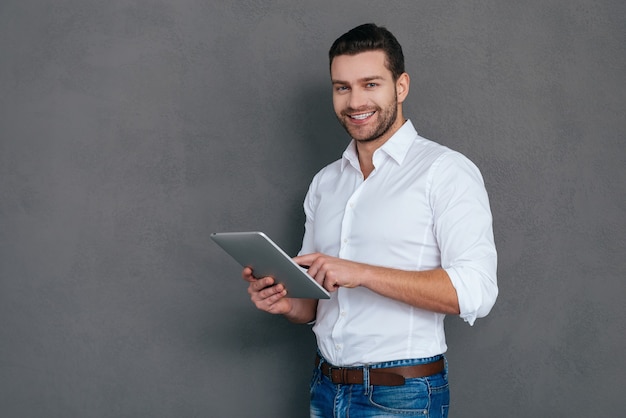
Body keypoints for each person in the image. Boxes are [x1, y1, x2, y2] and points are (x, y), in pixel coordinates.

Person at [243, 23, 498, 417]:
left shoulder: (444, 171)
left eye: (370, 84)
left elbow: (476, 292)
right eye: (342, 87)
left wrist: (361, 272)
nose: (355, 100)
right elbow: (314, 301)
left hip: (402, 396)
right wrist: (286, 301)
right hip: (325, 388)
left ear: (401, 86)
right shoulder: (325, 183)